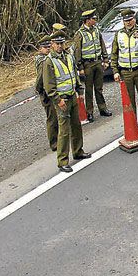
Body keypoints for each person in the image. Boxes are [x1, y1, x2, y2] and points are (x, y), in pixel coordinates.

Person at [43, 31, 91, 172]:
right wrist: (58, 100)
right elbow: (48, 86)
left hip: (72, 96)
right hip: (62, 100)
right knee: (64, 131)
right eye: (57, 44)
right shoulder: (49, 61)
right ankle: (62, 161)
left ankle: (78, 151)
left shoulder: (69, 56)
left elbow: (73, 75)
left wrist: (79, 90)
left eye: (61, 43)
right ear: (52, 44)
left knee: (76, 126)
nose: (59, 46)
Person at [73, 9, 111, 122]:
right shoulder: (79, 34)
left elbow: (102, 45)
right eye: (93, 19)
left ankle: (102, 108)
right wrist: (80, 68)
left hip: (98, 62)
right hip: (87, 64)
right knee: (89, 90)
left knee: (99, 88)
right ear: (87, 20)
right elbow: (77, 51)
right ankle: (89, 112)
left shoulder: (96, 30)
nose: (95, 21)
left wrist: (105, 59)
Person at [34, 35, 58, 152]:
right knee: (52, 118)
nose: (48, 49)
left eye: (49, 46)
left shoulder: (48, 58)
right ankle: (54, 143)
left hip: (51, 90)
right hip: (46, 92)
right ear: (40, 48)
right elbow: (40, 79)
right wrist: (41, 92)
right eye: (45, 47)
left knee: (56, 116)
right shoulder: (42, 60)